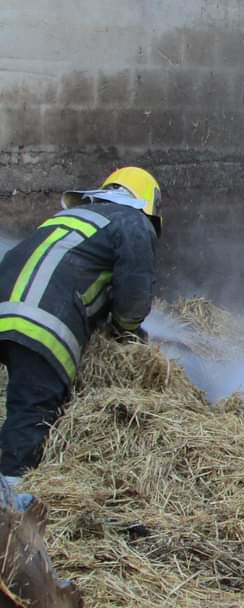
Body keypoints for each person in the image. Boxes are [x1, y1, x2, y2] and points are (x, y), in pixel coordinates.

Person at [0, 167, 160, 501]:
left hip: (6, 304)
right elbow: (133, 291)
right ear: (146, 202)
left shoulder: (73, 218)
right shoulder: (132, 221)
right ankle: (11, 503)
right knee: (32, 408)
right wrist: (126, 332)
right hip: (41, 319)